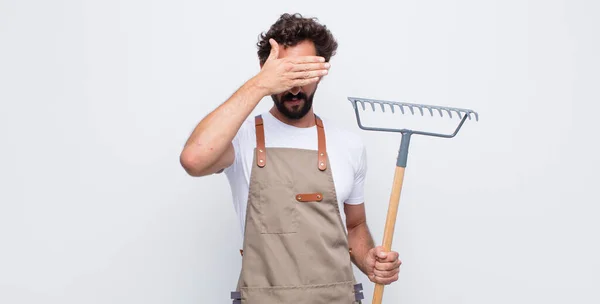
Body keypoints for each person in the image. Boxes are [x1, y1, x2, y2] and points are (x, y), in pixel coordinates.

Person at [180, 13, 401, 303]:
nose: (295, 87)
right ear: (266, 69)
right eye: (287, 72)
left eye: (304, 73)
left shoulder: (348, 145)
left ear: (321, 71)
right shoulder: (240, 138)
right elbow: (194, 160)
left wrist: (370, 260)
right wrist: (260, 84)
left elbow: (355, 226)